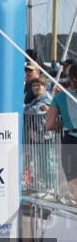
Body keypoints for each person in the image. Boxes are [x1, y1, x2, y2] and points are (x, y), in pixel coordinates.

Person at [46, 64, 77, 203]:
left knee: (73, 178)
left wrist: (59, 124)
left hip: (71, 139)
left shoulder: (59, 97)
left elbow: (49, 125)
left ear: (70, 78)